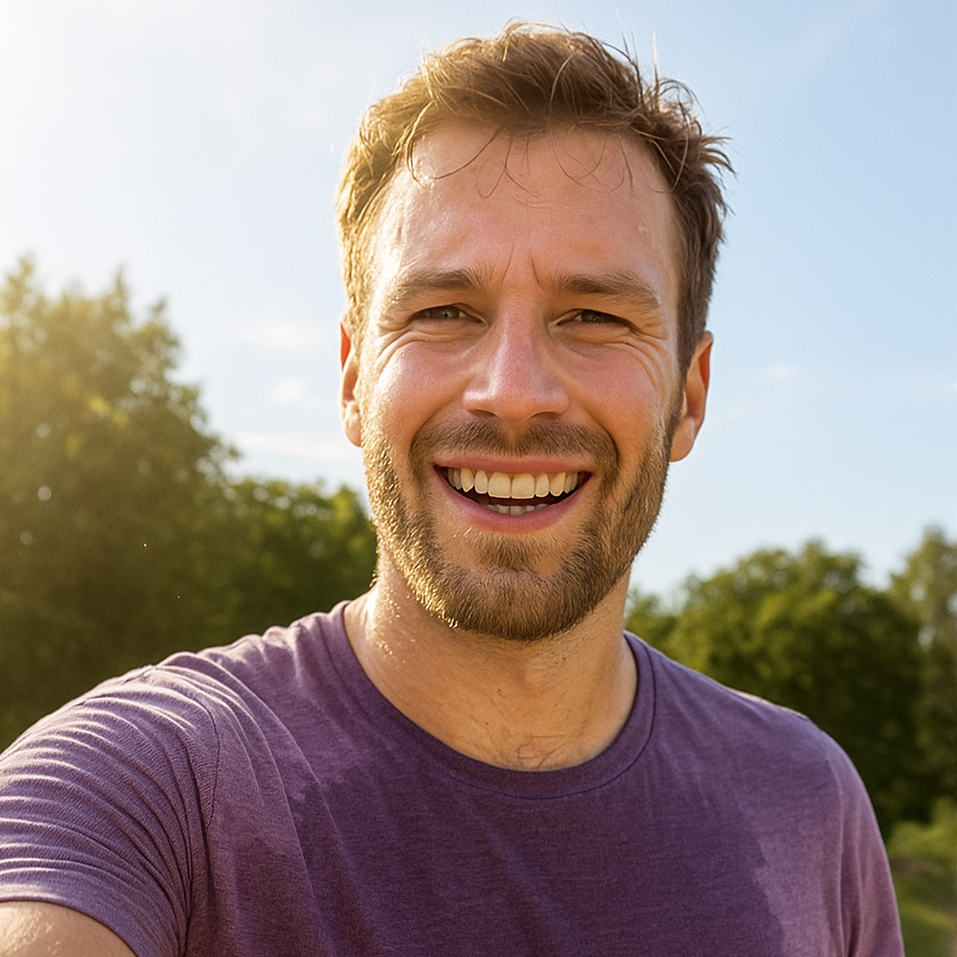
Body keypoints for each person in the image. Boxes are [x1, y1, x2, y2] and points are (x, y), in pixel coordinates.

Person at [0, 23, 903, 957]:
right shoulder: (141, 789)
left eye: (592, 316)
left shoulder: (806, 801)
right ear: (354, 378)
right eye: (443, 311)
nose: (512, 392)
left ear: (690, 395)